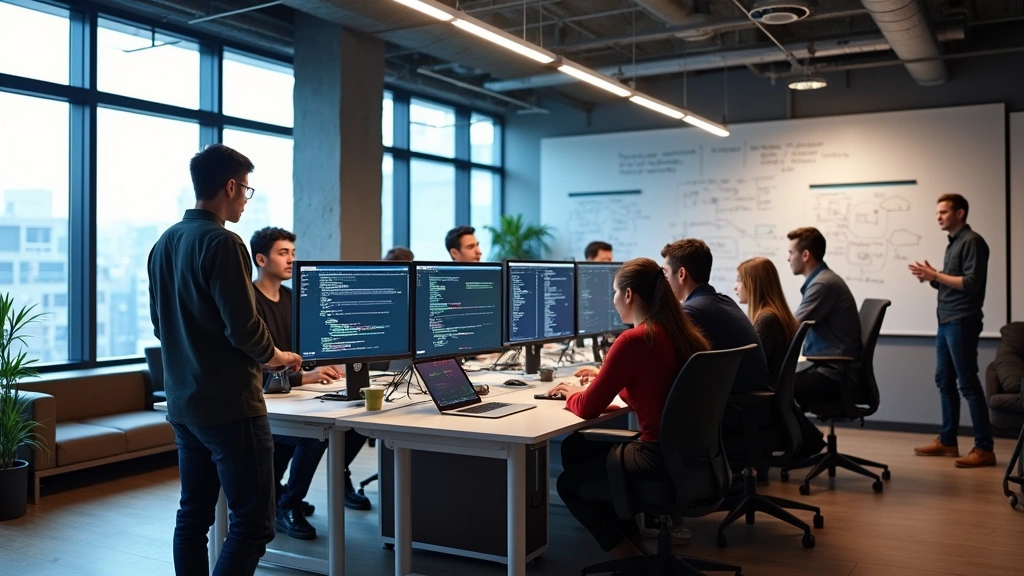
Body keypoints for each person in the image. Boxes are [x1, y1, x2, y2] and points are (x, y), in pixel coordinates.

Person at [148, 144, 302, 576]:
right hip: (231, 406)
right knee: (253, 524)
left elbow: (161, 326)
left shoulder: (164, 243)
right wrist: (277, 357)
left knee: (193, 517)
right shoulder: (223, 241)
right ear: (230, 187)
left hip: (184, 404)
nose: (245, 200)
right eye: (246, 191)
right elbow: (244, 328)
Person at [545, 258, 710, 562]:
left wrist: (572, 392)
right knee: (577, 447)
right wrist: (609, 378)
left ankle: (628, 558)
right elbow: (652, 389)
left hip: (655, 456)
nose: (613, 299)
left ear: (629, 294)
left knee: (568, 484)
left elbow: (587, 409)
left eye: (615, 292)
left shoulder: (634, 339)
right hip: (692, 456)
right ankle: (634, 545)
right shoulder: (681, 333)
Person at [249, 228, 371, 541]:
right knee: (313, 437)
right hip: (262, 403)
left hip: (295, 397)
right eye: (283, 253)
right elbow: (254, 370)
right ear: (261, 259)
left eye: (293, 252)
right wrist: (306, 376)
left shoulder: (292, 298)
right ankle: (286, 506)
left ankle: (290, 494)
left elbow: (304, 353)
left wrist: (320, 366)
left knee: (359, 422)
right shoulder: (249, 303)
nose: (291, 259)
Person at [909, 194, 996, 468]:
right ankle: (948, 441)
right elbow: (954, 282)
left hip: (962, 320)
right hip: (946, 320)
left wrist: (936, 275)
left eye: (944, 212)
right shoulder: (954, 243)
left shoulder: (972, 241)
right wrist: (933, 278)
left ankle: (984, 448)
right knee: (944, 381)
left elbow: (970, 283)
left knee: (967, 383)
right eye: (938, 212)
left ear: (960, 213)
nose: (938, 217)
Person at [661, 239, 769, 394]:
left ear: (681, 274)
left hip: (732, 403)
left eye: (665, 274)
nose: (664, 282)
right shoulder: (725, 301)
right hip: (751, 400)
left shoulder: (690, 312)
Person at [734, 257, 799, 389]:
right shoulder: (775, 315)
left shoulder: (767, 320)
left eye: (739, 280)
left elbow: (750, 367)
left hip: (760, 395)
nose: (735, 287)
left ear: (754, 284)